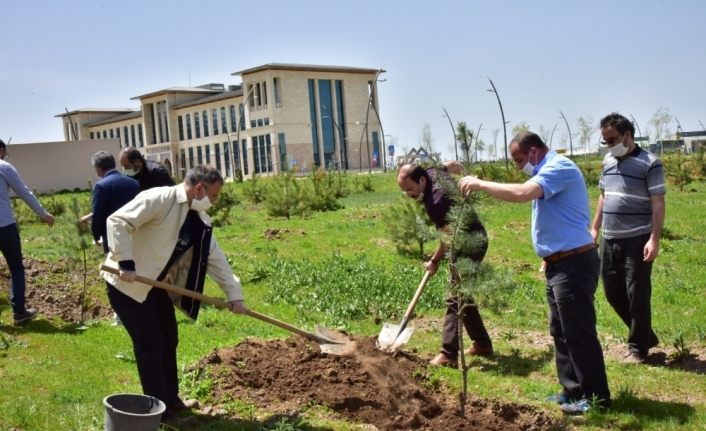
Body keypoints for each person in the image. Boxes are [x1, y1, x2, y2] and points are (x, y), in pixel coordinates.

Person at [458, 131, 610, 415]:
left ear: (534, 152)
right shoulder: (545, 171)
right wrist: (549, 256)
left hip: (575, 263)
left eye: (518, 160)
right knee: (560, 330)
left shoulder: (559, 167)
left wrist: (480, 183)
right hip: (558, 263)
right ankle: (571, 390)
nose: (518, 167)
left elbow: (522, 193)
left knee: (578, 331)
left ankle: (596, 396)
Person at [100, 165, 247, 420]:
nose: (214, 201)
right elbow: (118, 221)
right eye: (213, 195)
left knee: (169, 337)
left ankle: (171, 400)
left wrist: (234, 294)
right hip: (126, 284)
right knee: (150, 343)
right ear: (200, 188)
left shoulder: (199, 219)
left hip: (154, 285)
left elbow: (215, 258)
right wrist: (125, 262)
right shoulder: (159, 198)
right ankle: (159, 413)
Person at [397, 162, 493, 368]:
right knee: (462, 295)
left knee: (455, 297)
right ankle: (482, 344)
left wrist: (434, 260)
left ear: (421, 180)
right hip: (467, 236)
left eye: (410, 190)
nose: (408, 195)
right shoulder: (432, 173)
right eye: (404, 191)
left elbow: (447, 237)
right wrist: (465, 172)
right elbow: (450, 165)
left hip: (471, 242)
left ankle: (448, 355)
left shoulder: (437, 202)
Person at [591, 113, 665, 364]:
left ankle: (638, 348)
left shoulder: (650, 163)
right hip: (610, 239)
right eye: (606, 141)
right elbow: (603, 196)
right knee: (613, 293)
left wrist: (654, 239)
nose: (610, 145)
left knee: (638, 294)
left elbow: (657, 203)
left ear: (627, 135)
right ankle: (646, 336)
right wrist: (594, 229)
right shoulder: (608, 160)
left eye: (613, 139)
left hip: (637, 238)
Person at [0, 139, 55, 325]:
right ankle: (19, 312)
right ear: (1, 150)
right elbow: (23, 192)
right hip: (4, 226)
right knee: (15, 267)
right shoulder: (4, 167)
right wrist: (43, 214)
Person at [90, 151, 140, 254]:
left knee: (115, 267)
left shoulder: (100, 186)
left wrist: (96, 235)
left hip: (112, 237)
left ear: (98, 170)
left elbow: (97, 215)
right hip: (135, 235)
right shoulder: (134, 183)